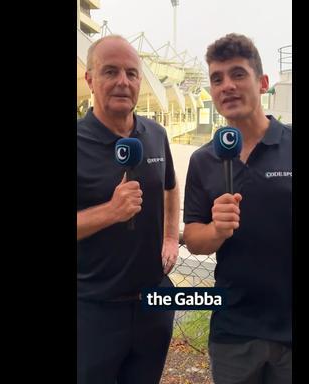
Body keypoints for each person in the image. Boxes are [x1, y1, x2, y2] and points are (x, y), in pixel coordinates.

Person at [183, 33, 292, 384]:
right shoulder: (203, 160)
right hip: (234, 330)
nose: (227, 86)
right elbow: (194, 239)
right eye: (217, 79)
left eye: (237, 74)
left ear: (262, 83)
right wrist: (216, 230)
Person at [77, 35, 180, 384]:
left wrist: (170, 237)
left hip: (154, 301)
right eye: (110, 71)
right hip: (94, 309)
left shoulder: (155, 133)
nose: (123, 81)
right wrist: (110, 211)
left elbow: (170, 186)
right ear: (91, 79)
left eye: (132, 73)